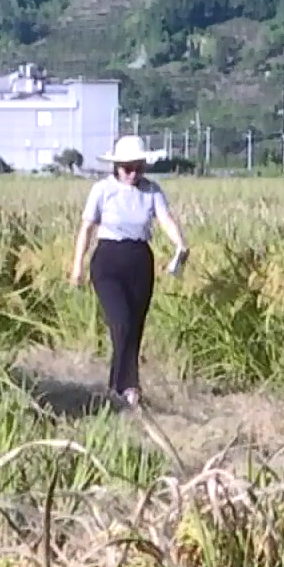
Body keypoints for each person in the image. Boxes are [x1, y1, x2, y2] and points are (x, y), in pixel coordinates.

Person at [68, 135, 189, 410]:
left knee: (134, 327)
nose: (133, 173)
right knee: (120, 321)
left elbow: (166, 220)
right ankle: (120, 386)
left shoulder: (152, 191)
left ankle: (127, 388)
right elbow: (86, 229)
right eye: (127, 168)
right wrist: (77, 267)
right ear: (116, 167)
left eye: (138, 167)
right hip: (108, 260)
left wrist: (180, 244)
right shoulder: (102, 190)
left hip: (139, 260)